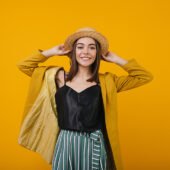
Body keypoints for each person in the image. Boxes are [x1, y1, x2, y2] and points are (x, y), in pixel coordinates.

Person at [17, 27, 154, 170]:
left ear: (98, 53)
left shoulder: (108, 82)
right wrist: (51, 52)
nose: (86, 52)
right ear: (73, 51)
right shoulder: (58, 77)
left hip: (94, 143)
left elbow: (144, 76)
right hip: (66, 142)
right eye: (80, 47)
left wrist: (115, 59)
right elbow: (24, 66)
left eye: (92, 48)